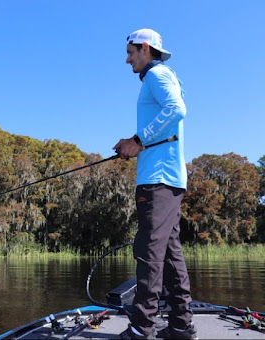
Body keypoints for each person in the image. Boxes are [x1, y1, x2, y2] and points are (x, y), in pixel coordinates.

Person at [114, 28, 197, 339]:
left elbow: (177, 110)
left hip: (157, 179)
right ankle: (181, 325)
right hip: (169, 178)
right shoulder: (164, 76)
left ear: (145, 48)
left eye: (131, 52)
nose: (127, 59)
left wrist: (137, 140)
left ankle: (141, 327)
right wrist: (132, 144)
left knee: (148, 250)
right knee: (171, 254)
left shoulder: (156, 75)